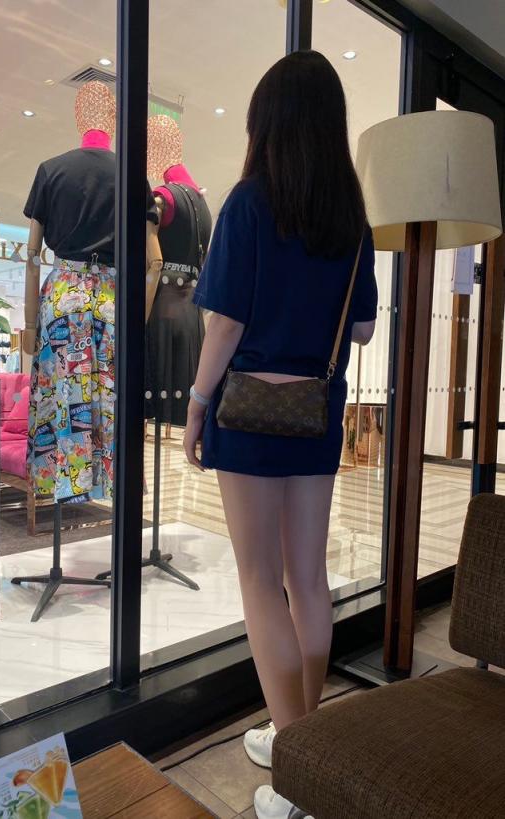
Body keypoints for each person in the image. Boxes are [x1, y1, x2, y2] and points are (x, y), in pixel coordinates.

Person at [184, 50, 377, 819]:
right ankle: (302, 735)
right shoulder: (350, 216)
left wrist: (196, 401)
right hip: (317, 412)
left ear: (269, 122)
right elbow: (361, 329)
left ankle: (298, 777)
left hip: (247, 413)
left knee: (261, 581)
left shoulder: (249, 202)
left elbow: (225, 322)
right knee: (309, 579)